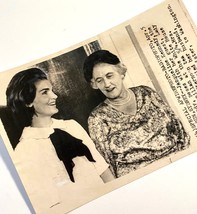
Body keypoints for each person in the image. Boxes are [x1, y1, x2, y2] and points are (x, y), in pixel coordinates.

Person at [6, 67, 114, 214]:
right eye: (45, 92)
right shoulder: (24, 151)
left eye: (52, 90)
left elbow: (104, 172)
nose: (54, 96)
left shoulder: (72, 126)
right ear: (27, 102)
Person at [83, 49, 190, 178]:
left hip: (177, 164)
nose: (107, 84)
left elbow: (178, 131)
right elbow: (107, 164)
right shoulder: (97, 118)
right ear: (94, 85)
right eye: (99, 80)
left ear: (121, 72)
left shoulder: (146, 92)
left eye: (109, 76)